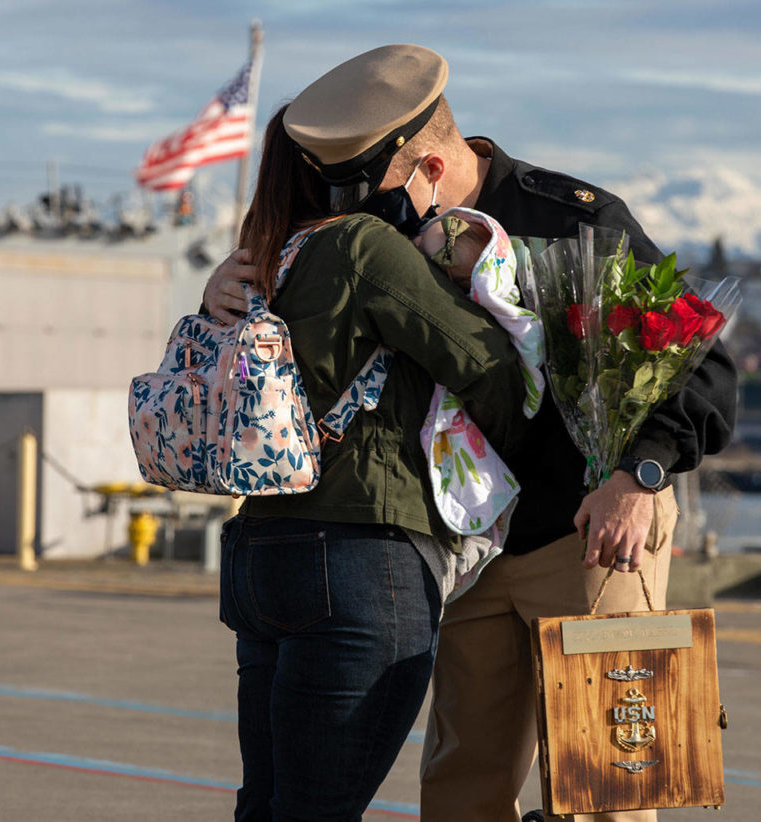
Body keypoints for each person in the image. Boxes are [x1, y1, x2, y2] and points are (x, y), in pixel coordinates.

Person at [205, 45, 738, 822]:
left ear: (425, 168)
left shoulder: (575, 222)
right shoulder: (370, 235)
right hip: (470, 553)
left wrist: (641, 477)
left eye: (368, 186)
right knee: (460, 789)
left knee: (609, 793)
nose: (352, 204)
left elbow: (706, 372)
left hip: (591, 539)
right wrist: (228, 287)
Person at [217, 100, 530, 821]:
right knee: (318, 809)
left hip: (259, 553)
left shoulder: (257, 258)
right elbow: (489, 370)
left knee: (266, 806)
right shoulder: (362, 245)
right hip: (361, 557)